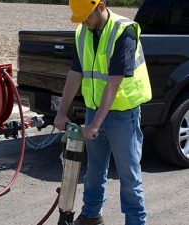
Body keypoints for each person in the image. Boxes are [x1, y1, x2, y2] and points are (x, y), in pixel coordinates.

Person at [54, 0, 152, 224]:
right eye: (80, 18)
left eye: (87, 16)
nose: (84, 22)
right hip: (93, 110)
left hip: (122, 115)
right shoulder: (82, 31)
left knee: (129, 176)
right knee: (95, 170)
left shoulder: (123, 31)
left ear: (101, 6)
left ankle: (136, 221)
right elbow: (74, 74)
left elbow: (114, 83)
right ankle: (91, 214)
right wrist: (61, 111)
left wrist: (96, 124)